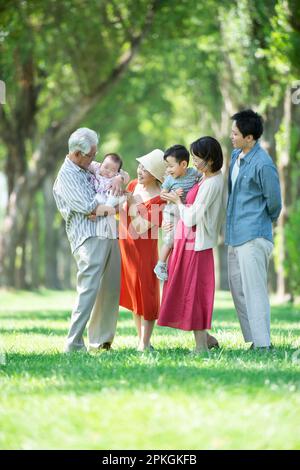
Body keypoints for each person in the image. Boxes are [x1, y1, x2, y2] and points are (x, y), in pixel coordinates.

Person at [53, 127, 126, 353]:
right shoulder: (68, 176)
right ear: (77, 153)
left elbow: (117, 172)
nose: (95, 160)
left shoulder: (87, 165)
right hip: (89, 237)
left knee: (110, 288)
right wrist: (108, 207)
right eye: (91, 156)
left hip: (108, 232)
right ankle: (73, 343)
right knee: (88, 290)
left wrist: (120, 178)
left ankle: (101, 341)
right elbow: (90, 209)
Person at [158, 137, 225, 353]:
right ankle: (207, 340)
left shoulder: (213, 183)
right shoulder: (205, 179)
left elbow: (192, 217)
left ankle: (200, 347)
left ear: (210, 159)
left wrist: (178, 203)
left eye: (197, 159)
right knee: (186, 290)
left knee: (195, 293)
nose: (194, 163)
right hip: (187, 241)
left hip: (196, 244)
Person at [226, 109, 282, 350]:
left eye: (236, 133)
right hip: (234, 234)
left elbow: (275, 202)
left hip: (254, 235)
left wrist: (261, 221)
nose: (232, 136)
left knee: (254, 291)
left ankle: (263, 344)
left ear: (250, 137)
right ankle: (253, 340)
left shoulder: (263, 163)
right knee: (238, 290)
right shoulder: (236, 155)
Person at [119, 149, 166, 351]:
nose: (140, 171)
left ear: (155, 174)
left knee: (147, 295)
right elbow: (119, 216)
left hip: (145, 251)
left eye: (145, 169)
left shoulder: (161, 200)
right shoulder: (132, 186)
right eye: (140, 166)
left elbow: (139, 227)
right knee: (134, 296)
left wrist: (130, 203)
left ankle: (145, 342)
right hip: (127, 250)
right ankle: (142, 340)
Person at [154, 145, 201, 281]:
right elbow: (162, 195)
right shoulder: (170, 179)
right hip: (172, 211)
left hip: (185, 211)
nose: (168, 170)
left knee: (181, 240)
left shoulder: (193, 173)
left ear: (184, 164)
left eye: (170, 166)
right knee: (170, 238)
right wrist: (173, 194)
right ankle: (161, 264)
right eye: (166, 166)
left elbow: (204, 177)